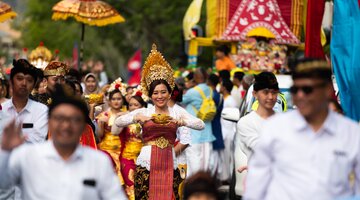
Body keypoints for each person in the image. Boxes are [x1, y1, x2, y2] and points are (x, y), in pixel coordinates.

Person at [244, 59, 360, 200]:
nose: (299, 96)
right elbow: (256, 188)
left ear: (327, 90)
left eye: (307, 90)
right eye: (295, 90)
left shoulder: (351, 134)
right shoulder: (275, 129)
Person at [0, 84, 127, 200]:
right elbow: (4, 185)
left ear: (84, 126)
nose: (66, 125)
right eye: (59, 118)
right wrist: (5, 152)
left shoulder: (98, 162)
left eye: (73, 119)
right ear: (49, 122)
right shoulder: (29, 156)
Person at [112, 44, 205, 200]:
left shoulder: (177, 112)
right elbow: (119, 121)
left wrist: (183, 122)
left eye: (163, 92)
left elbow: (200, 124)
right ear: (150, 95)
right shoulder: (145, 112)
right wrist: (135, 118)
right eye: (155, 93)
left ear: (169, 94)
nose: (160, 96)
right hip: (146, 163)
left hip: (170, 162)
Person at [236, 72, 279, 173]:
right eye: (266, 92)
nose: (271, 97)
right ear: (255, 94)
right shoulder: (246, 122)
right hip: (259, 180)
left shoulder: (284, 121)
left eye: (274, 92)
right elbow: (263, 148)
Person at [182, 67, 216, 177]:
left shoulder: (192, 92)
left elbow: (180, 100)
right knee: (206, 163)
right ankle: (205, 183)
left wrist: (187, 87)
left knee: (194, 162)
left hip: (194, 133)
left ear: (195, 78)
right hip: (208, 132)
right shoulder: (210, 90)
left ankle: (194, 185)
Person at [96, 78, 127, 185]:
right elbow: (99, 136)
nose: (116, 101)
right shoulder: (104, 115)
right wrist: (100, 124)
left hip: (123, 151)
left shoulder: (127, 115)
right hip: (106, 151)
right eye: (113, 99)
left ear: (122, 100)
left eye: (119, 98)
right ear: (109, 101)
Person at [119, 90, 147, 200]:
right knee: (130, 188)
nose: (133, 107)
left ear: (143, 106)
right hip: (128, 158)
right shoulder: (125, 120)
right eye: (130, 105)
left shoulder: (148, 120)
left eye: (136, 105)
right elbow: (115, 132)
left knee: (143, 188)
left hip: (144, 159)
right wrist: (120, 117)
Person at [218, 78, 237, 183]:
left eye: (221, 85)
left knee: (227, 156)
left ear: (224, 87)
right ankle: (223, 176)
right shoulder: (223, 98)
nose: (219, 87)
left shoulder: (231, 100)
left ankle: (228, 178)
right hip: (223, 130)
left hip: (228, 131)